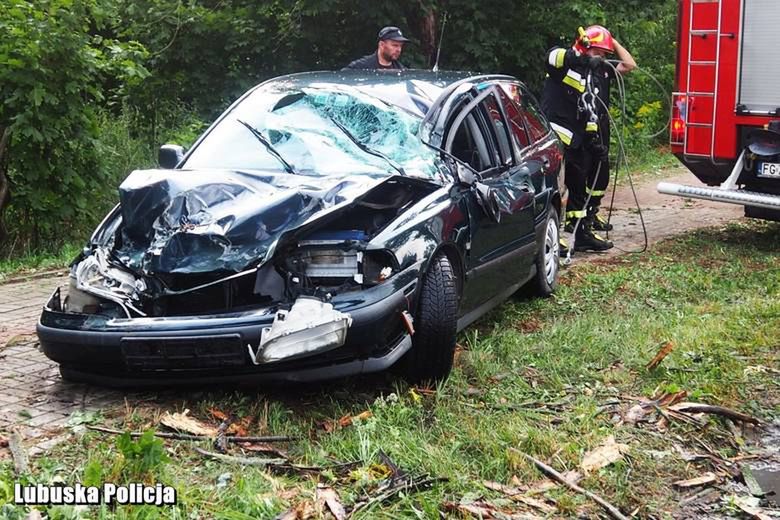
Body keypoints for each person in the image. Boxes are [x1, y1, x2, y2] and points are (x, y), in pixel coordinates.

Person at [541, 25, 635, 253]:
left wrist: (594, 140)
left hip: (578, 139)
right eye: (599, 54)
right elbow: (552, 57)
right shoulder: (564, 63)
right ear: (585, 47)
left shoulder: (594, 74)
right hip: (557, 138)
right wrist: (580, 56)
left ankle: (579, 233)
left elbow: (590, 108)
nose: (602, 59)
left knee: (578, 187)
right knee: (555, 189)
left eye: (605, 55)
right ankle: (551, 237)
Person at [344, 26, 410, 70]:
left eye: (400, 46)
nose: (399, 49)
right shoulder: (361, 67)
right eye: (395, 45)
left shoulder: (402, 71)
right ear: (381, 45)